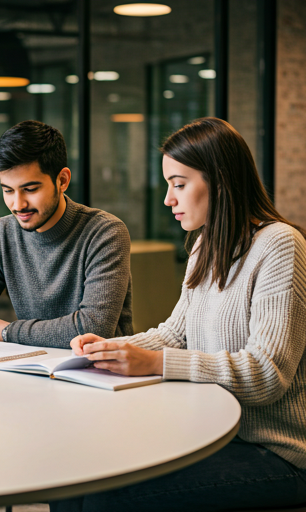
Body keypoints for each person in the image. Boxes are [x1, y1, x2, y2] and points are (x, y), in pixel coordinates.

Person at [52, 117, 306, 512]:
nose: (168, 199)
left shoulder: (279, 245)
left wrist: (152, 363)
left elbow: (267, 374)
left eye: (179, 184)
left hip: (276, 452)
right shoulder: (206, 245)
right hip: (211, 431)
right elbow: (175, 332)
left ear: (220, 181)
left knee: (108, 497)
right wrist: (111, 348)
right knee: (77, 471)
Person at [0, 120, 133, 350]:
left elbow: (93, 328)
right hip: (32, 369)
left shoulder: (104, 232)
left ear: (62, 180)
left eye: (30, 189)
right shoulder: (2, 233)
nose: (18, 204)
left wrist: (6, 332)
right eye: (8, 190)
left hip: (98, 373)